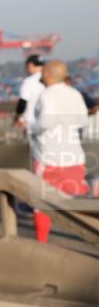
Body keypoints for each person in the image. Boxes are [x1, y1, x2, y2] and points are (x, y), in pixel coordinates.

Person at [28, 60, 90, 243]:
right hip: (74, 156)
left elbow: (46, 122)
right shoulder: (75, 93)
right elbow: (83, 121)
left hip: (49, 157)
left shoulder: (46, 95)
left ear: (47, 74)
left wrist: (33, 128)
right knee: (77, 202)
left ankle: (42, 243)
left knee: (42, 204)